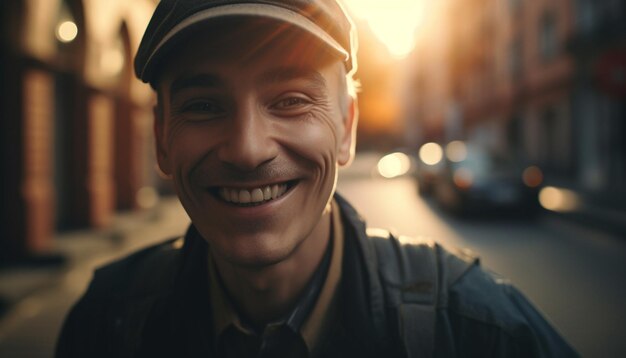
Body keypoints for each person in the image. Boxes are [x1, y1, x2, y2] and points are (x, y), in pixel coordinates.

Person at [56, 1, 578, 357]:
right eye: (203, 105)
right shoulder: (109, 320)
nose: (247, 148)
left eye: (290, 101)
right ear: (162, 138)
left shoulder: (478, 328)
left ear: (346, 128)